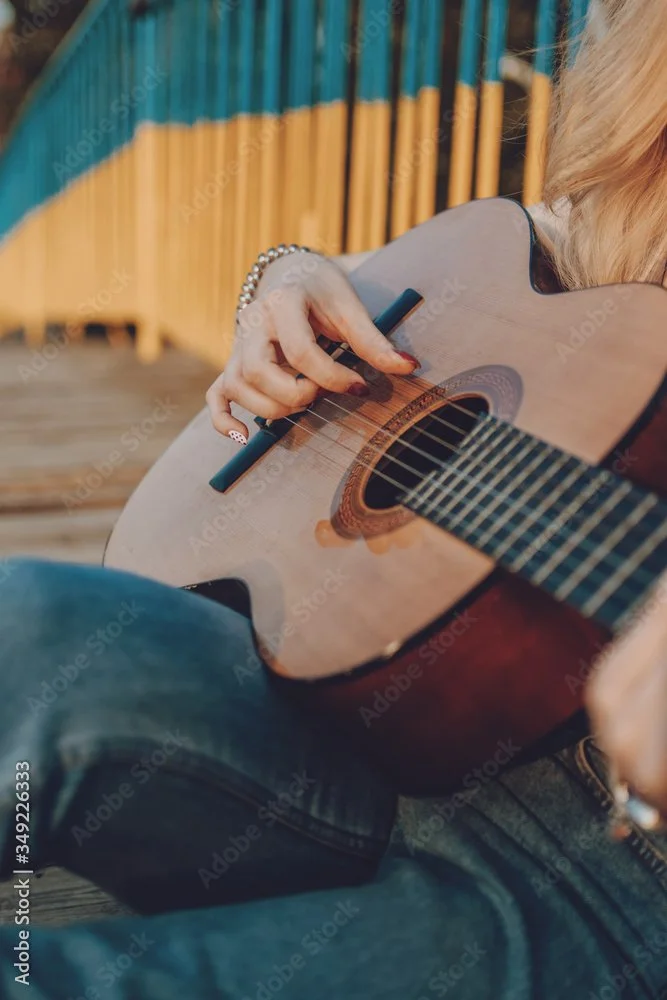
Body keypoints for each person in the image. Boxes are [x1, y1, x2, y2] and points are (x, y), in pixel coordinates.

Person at [1, 1, 666, 996]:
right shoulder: (639, 185)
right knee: (26, 623)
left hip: (613, 878)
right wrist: (291, 281)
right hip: (398, 711)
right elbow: (500, 268)